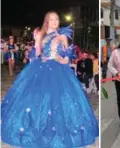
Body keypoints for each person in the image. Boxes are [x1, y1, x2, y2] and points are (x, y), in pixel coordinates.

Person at [1, 11, 98, 147]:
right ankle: (38, 125)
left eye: (56, 19)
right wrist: (36, 43)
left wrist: (60, 58)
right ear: (46, 22)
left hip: (58, 71)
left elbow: (67, 57)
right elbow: (36, 55)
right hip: (40, 69)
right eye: (51, 20)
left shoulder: (62, 36)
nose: (54, 22)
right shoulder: (42, 35)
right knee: (37, 98)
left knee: (58, 99)